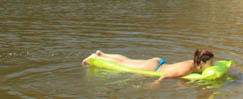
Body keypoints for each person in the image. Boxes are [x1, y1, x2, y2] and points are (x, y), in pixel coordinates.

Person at [82, 49, 214, 82]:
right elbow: (166, 76)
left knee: (128, 60)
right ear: (202, 63)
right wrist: (154, 84)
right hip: (154, 68)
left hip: (158, 62)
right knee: (124, 64)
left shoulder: (193, 62)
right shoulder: (187, 69)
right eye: (211, 63)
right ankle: (95, 58)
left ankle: (102, 54)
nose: (213, 64)